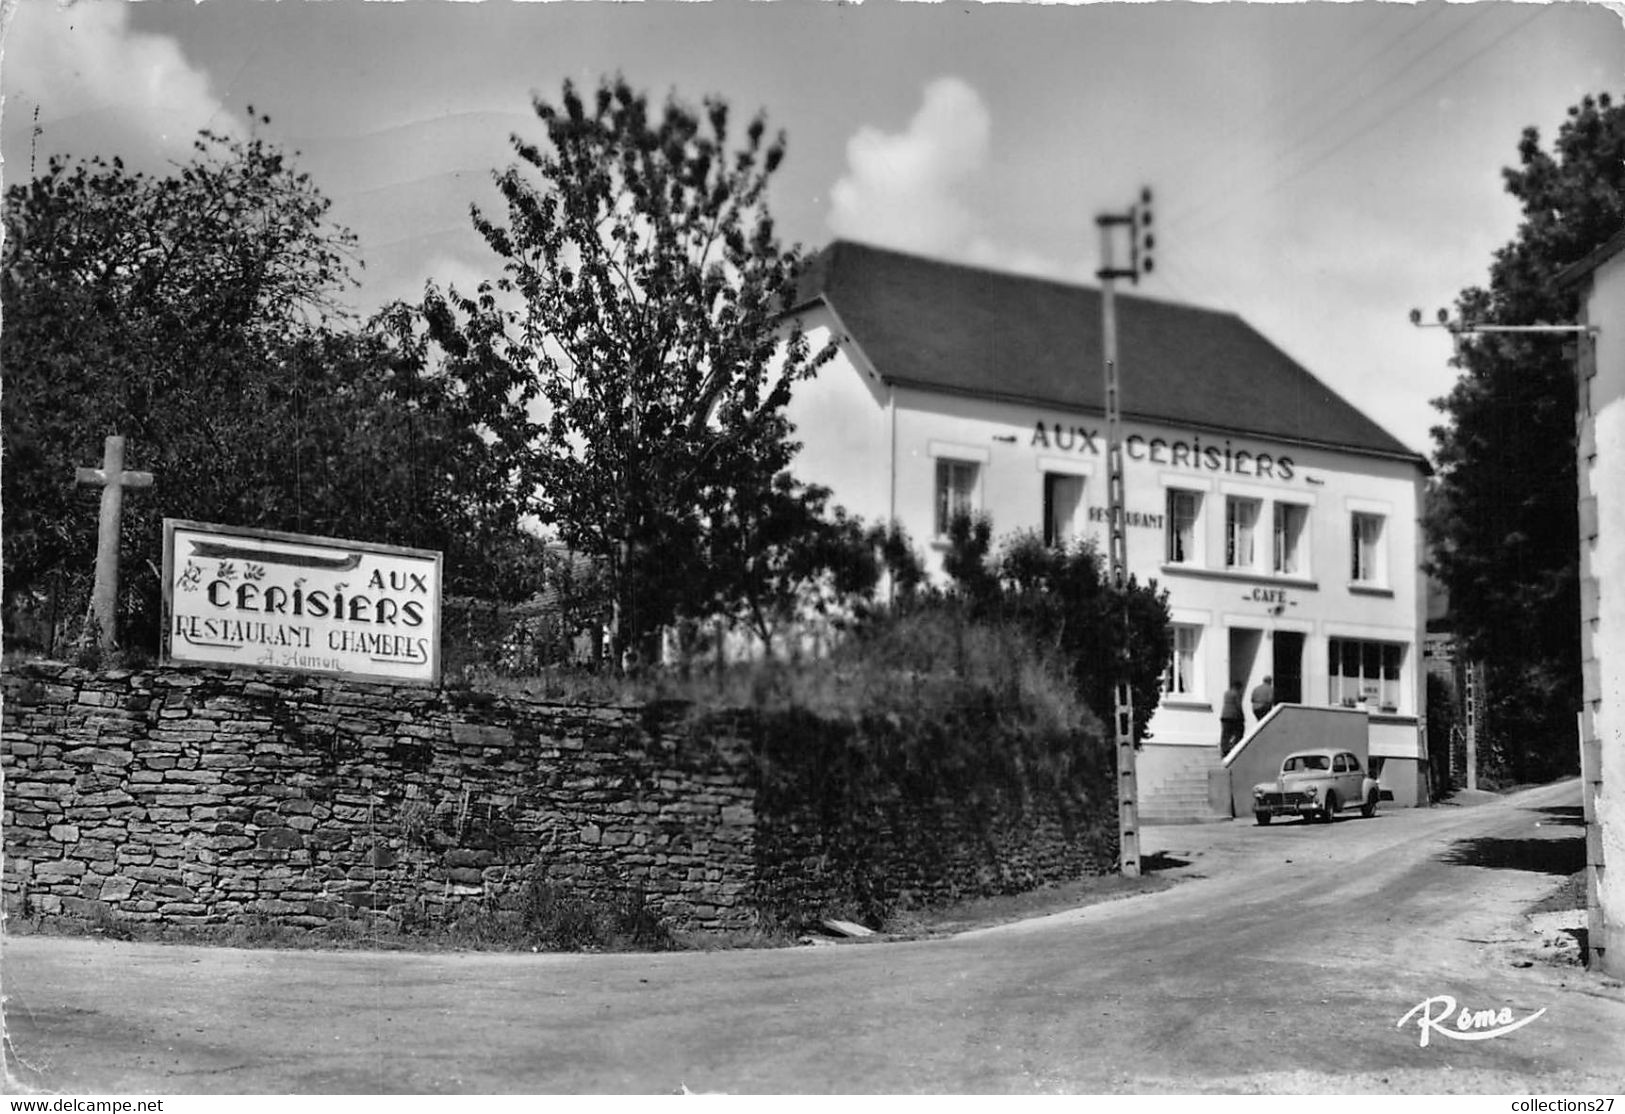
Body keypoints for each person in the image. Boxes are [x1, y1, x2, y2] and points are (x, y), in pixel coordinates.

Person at [1219, 680, 1245, 757]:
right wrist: (1242, 716)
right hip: (1233, 716)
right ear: (1238, 687)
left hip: (1224, 715)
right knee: (1238, 732)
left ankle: (1224, 750)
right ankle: (1236, 748)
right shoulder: (1236, 694)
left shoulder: (1226, 693)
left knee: (1225, 734)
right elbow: (1238, 706)